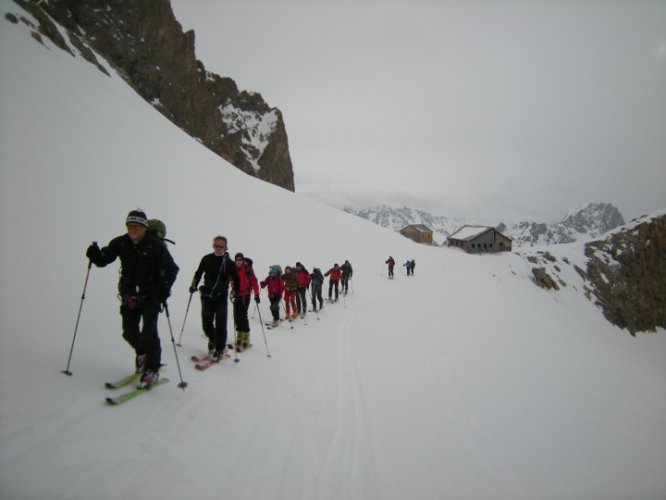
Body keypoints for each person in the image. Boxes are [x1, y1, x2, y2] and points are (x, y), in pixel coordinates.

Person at [86, 209, 179, 388]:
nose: (132, 230)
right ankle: (142, 353)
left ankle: (152, 368)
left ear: (145, 228)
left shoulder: (155, 246)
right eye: (129, 226)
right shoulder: (121, 243)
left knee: (149, 332)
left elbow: (172, 269)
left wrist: (165, 289)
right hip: (129, 294)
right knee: (128, 331)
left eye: (136, 226)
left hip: (151, 295)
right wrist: (96, 256)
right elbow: (105, 259)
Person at [189, 236, 236, 361]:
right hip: (207, 295)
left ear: (225, 247)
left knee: (221, 323)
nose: (218, 248)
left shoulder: (229, 263)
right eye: (216, 245)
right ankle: (213, 338)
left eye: (221, 246)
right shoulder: (207, 259)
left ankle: (220, 348)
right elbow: (198, 273)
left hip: (221, 296)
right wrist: (194, 285)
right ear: (213, 246)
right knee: (206, 323)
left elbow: (236, 278)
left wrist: (235, 291)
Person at [230, 253, 260, 350]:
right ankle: (239, 335)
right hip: (236, 294)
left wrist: (257, 294)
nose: (238, 261)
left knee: (243, 315)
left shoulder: (248, 270)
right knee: (236, 315)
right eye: (237, 259)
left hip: (245, 295)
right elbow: (228, 279)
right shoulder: (233, 269)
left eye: (240, 259)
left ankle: (246, 338)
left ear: (243, 260)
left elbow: (254, 282)